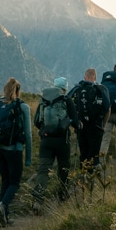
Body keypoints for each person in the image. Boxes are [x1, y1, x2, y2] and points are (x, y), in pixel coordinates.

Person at [0, 77, 32, 227]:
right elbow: (28, 134)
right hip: (14, 150)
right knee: (14, 183)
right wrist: (28, 158)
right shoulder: (22, 106)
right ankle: (2, 206)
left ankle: (4, 217)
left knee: (5, 181)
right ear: (18, 91)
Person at [31, 77, 78, 214]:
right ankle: (62, 196)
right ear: (64, 88)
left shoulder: (44, 100)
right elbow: (74, 121)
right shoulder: (66, 100)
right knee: (63, 168)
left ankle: (37, 201)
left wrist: (45, 131)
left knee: (43, 171)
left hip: (46, 141)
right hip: (62, 141)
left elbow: (36, 122)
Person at [70, 68, 110, 171]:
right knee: (94, 155)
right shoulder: (101, 89)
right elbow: (107, 108)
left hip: (81, 127)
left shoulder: (77, 88)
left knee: (83, 153)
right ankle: (92, 179)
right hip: (96, 127)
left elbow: (68, 104)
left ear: (85, 77)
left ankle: (82, 178)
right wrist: (103, 125)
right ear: (95, 77)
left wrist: (75, 123)